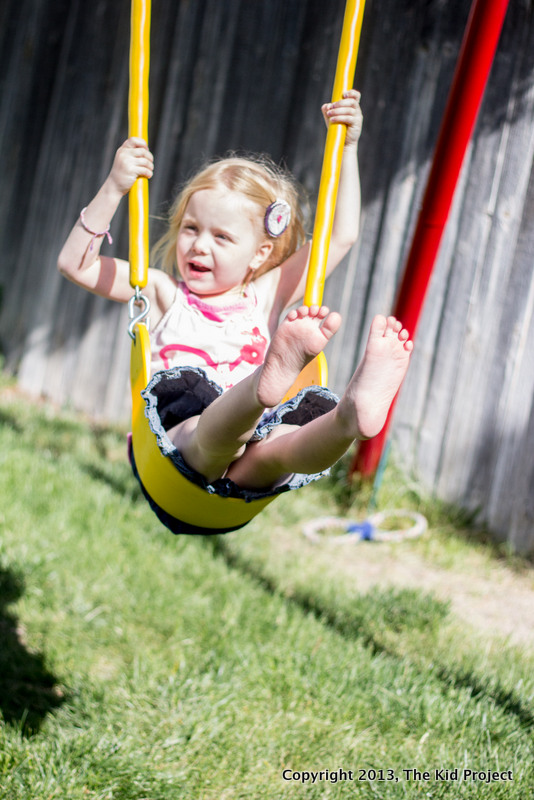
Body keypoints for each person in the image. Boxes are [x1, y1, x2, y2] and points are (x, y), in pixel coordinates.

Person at [58, 90, 413, 534]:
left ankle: (348, 418)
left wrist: (347, 147)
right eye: (191, 228)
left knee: (281, 448)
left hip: (247, 455)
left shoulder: (266, 294)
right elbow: (76, 265)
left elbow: (338, 236)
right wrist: (114, 187)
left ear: (260, 252)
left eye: (221, 237)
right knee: (207, 438)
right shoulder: (163, 292)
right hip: (176, 449)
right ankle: (264, 388)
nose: (199, 245)